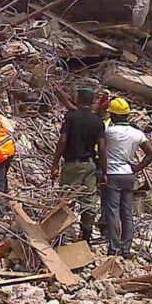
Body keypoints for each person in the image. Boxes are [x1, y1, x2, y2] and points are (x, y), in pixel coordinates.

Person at [51, 87, 107, 244]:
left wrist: (55, 163)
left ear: (78, 99)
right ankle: (86, 238)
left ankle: (61, 236)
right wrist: (104, 171)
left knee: (65, 199)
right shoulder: (98, 121)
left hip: (71, 165)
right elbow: (102, 148)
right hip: (89, 166)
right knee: (88, 202)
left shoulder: (71, 117)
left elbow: (62, 140)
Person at [104, 98, 152, 259]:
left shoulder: (109, 132)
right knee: (127, 212)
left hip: (112, 175)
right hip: (128, 175)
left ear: (114, 115)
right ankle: (125, 249)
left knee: (113, 212)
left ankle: (113, 248)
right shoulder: (137, 134)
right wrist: (136, 168)